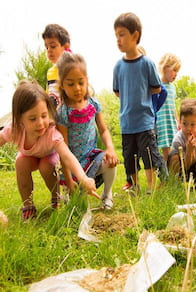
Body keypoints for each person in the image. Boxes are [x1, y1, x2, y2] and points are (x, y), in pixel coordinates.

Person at [0, 80, 98, 220]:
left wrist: (84, 178)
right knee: (20, 162)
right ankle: (28, 205)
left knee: (46, 166)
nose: (40, 123)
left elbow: (67, 156)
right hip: (29, 157)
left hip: (48, 156)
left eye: (44, 116)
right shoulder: (15, 130)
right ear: (20, 119)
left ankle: (56, 198)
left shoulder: (51, 133)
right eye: (33, 119)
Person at [56, 52, 118, 209]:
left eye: (80, 82)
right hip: (73, 164)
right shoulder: (63, 112)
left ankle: (107, 195)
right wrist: (69, 179)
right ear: (62, 85)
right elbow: (64, 150)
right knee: (76, 206)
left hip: (92, 158)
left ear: (87, 80)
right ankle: (69, 193)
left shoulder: (93, 104)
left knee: (110, 162)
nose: (77, 88)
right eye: (70, 84)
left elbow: (103, 130)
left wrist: (110, 148)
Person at [113, 12, 166, 195]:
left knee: (148, 155)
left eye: (122, 34)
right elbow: (117, 91)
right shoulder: (118, 67)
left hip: (144, 121)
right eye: (116, 36)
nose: (118, 40)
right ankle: (134, 186)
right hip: (127, 122)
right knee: (129, 157)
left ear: (135, 36)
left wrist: (140, 93)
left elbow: (157, 88)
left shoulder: (147, 64)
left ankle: (151, 187)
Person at [122, 46, 168, 191]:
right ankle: (131, 181)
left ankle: (164, 178)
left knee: (150, 152)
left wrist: (154, 110)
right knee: (130, 152)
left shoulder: (148, 78)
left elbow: (163, 91)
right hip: (131, 123)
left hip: (148, 122)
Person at [168, 99, 196, 188]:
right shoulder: (177, 140)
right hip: (181, 169)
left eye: (192, 124)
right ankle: (175, 183)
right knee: (173, 157)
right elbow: (185, 166)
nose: (188, 128)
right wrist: (189, 150)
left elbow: (194, 161)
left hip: (193, 166)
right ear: (179, 122)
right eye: (184, 123)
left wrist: (192, 151)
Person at [156, 53, 181, 162]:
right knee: (165, 149)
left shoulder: (172, 88)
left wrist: (178, 120)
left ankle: (171, 173)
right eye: (174, 70)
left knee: (172, 149)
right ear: (165, 68)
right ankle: (164, 176)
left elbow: (173, 105)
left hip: (171, 122)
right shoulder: (157, 85)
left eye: (177, 71)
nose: (176, 74)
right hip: (161, 122)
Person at [42, 24, 72, 109]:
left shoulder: (72, 69)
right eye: (46, 47)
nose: (49, 50)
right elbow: (48, 96)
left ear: (66, 47)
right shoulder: (50, 72)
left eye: (53, 46)